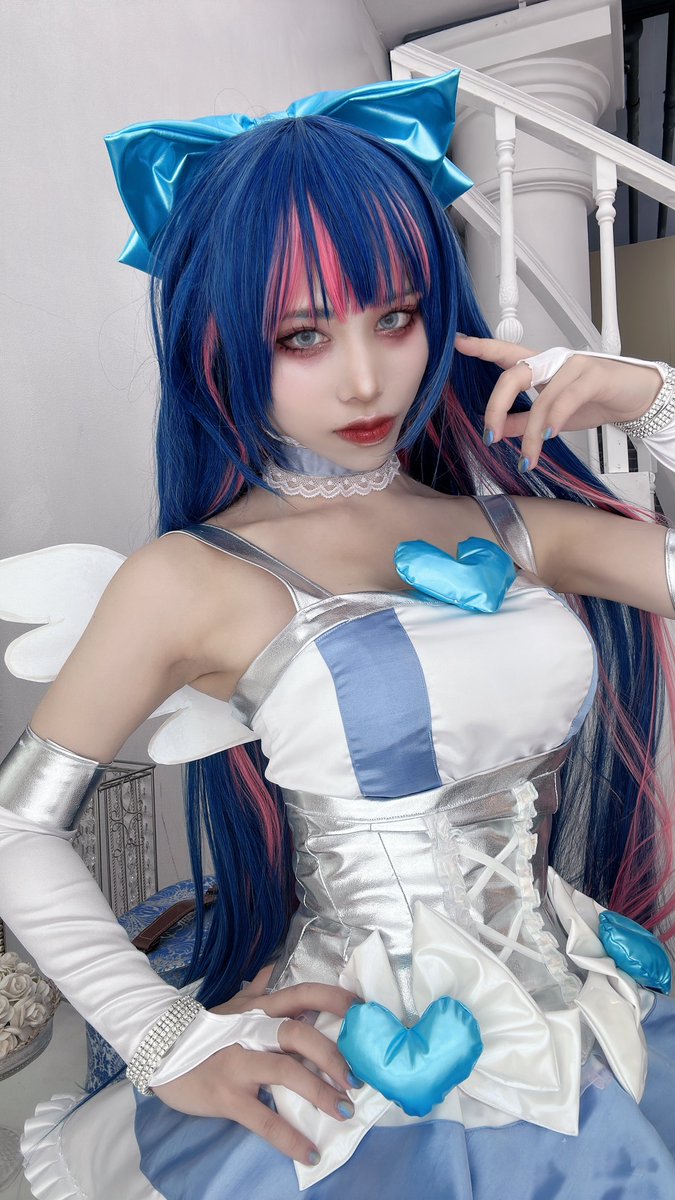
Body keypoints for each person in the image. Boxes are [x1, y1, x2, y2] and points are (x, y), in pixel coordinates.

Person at [1, 70, 675, 1199]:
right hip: (357, 1059)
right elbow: (16, 826)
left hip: (597, 1019)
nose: (367, 379)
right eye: (301, 335)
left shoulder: (510, 527)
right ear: (218, 342)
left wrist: (652, 398)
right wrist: (163, 1040)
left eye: (396, 318)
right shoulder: (193, 577)